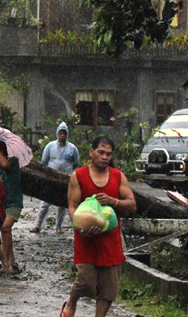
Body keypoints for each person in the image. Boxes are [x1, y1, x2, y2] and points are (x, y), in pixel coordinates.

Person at [61, 136, 136, 317]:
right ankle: (71, 302)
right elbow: (72, 206)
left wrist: (114, 201)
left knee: (108, 288)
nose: (104, 157)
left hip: (110, 239)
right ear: (91, 152)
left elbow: (132, 204)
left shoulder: (118, 176)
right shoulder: (78, 176)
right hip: (86, 237)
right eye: (101, 152)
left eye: (108, 154)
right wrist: (79, 227)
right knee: (86, 281)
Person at [30, 122, 80, 234]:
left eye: (64, 134)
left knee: (62, 204)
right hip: (51, 179)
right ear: (57, 134)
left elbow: (76, 163)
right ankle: (38, 226)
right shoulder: (50, 146)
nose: (62, 136)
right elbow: (44, 161)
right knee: (45, 203)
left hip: (65, 180)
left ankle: (58, 227)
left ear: (67, 135)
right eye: (60, 133)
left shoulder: (72, 148)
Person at [0, 140, 23, 270]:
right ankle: (11, 260)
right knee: (6, 231)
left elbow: (5, 164)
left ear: (1, 151)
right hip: (4, 204)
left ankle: (6, 260)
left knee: (5, 228)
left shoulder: (13, 161)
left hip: (14, 202)